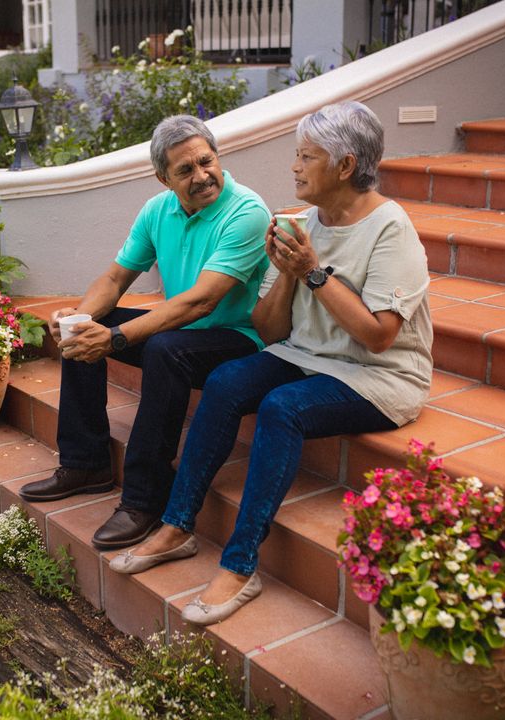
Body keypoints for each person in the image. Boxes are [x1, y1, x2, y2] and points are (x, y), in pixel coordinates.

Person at [107, 101, 433, 625]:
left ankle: (240, 565)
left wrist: (313, 271)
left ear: (345, 166)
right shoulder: (301, 222)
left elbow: (379, 336)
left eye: (306, 156)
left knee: (282, 408)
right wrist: (285, 273)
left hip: (378, 377)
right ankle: (176, 526)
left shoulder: (391, 228)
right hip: (305, 356)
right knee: (227, 379)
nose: (295, 167)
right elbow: (270, 331)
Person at [18, 114, 271, 551]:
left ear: (217, 156)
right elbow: (115, 280)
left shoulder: (247, 212)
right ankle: (86, 463)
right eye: (185, 170)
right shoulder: (158, 210)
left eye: (206, 161)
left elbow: (202, 301)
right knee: (87, 327)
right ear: (163, 178)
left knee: (164, 349)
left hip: (238, 339)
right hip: (180, 330)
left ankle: (144, 499)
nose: (202, 175)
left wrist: (115, 339)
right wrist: (78, 319)